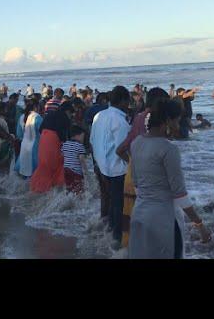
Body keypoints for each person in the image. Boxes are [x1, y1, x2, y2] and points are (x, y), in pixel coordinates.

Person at [129, 98, 211, 259]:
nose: (178, 124)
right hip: (164, 220)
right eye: (177, 120)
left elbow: (136, 184)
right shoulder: (168, 149)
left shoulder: (137, 142)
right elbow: (179, 194)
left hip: (139, 214)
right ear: (167, 120)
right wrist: (200, 224)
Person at [116, 87, 169, 248]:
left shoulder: (138, 117)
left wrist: (134, 163)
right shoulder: (155, 120)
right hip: (150, 180)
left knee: (132, 221)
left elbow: (120, 150)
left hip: (132, 177)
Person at [90, 86, 131, 248]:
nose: (129, 104)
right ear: (122, 101)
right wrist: (133, 166)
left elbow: (92, 141)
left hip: (102, 166)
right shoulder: (119, 120)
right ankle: (117, 239)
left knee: (111, 202)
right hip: (117, 169)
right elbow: (122, 149)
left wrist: (99, 162)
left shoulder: (99, 115)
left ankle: (110, 235)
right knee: (119, 205)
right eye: (128, 101)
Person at [31, 102, 73, 194]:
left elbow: (40, 129)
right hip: (53, 140)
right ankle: (52, 187)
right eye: (71, 113)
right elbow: (64, 136)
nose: (71, 115)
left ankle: (37, 187)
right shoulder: (64, 117)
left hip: (43, 139)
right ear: (67, 111)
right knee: (56, 163)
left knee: (44, 164)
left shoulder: (50, 114)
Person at [14, 96, 43, 178]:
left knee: (24, 172)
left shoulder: (21, 117)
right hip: (35, 148)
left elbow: (19, 134)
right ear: (35, 107)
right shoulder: (37, 117)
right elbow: (43, 133)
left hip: (24, 146)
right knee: (35, 174)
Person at [63, 125, 88, 195]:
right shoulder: (79, 146)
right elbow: (81, 159)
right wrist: (86, 171)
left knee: (69, 188)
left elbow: (63, 155)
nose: (83, 139)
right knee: (79, 190)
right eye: (83, 136)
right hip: (76, 172)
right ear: (77, 135)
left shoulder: (65, 144)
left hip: (65, 170)